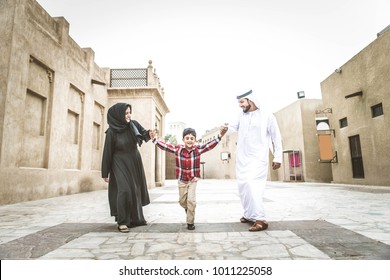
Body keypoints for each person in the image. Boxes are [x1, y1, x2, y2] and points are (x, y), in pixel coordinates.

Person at [226, 89, 283, 232]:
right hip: (242, 158)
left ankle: (260, 219)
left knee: (253, 185)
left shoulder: (267, 116)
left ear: (251, 100)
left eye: (242, 102)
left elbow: (276, 137)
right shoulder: (241, 115)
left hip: (258, 158)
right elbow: (232, 128)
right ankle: (249, 214)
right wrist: (223, 129)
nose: (240, 105)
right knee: (244, 186)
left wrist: (278, 157)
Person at [150, 127, 227, 230]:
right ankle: (187, 208)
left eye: (192, 138)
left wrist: (220, 136)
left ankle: (190, 222)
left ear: (195, 140)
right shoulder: (178, 149)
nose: (189, 140)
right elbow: (165, 147)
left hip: (192, 180)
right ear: (183, 140)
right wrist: (154, 140)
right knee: (182, 201)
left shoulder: (198, 149)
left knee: (191, 201)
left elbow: (209, 146)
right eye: (187, 138)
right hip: (182, 180)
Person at [101, 103, 153, 233]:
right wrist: (105, 172)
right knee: (124, 190)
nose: (129, 115)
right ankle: (122, 221)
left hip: (134, 160)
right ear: (118, 115)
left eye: (129, 112)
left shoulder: (133, 124)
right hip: (118, 161)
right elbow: (107, 152)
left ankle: (136, 219)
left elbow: (143, 134)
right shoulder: (111, 131)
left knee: (135, 189)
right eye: (126, 113)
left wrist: (150, 134)